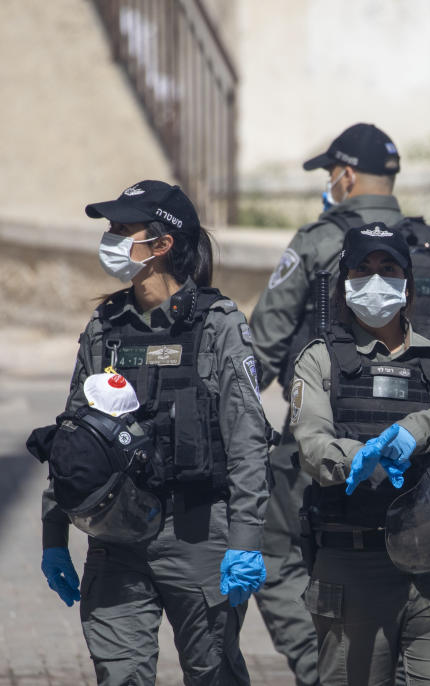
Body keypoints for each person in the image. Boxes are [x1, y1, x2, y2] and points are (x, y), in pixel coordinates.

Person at [37, 180, 270, 685]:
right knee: (120, 676)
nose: (111, 239)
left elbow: (249, 438)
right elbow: (72, 437)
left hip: (198, 536)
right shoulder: (106, 325)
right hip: (115, 537)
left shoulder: (218, 325)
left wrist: (246, 538)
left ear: (161, 244)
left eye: (123, 229)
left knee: (214, 675)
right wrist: (54, 532)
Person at [249, 122, 430, 685]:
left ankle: (323, 670)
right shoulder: (428, 243)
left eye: (331, 175)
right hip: (418, 443)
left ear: (344, 175)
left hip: (324, 438)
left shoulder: (318, 242)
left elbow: (261, 347)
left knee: (269, 546)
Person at [290, 223, 430, 685]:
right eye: (362, 269)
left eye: (387, 268)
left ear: (408, 284)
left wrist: (415, 430)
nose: (374, 280)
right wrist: (358, 457)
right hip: (354, 558)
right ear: (344, 281)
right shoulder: (320, 359)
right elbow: (310, 442)